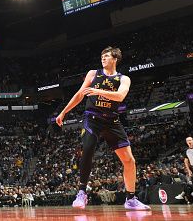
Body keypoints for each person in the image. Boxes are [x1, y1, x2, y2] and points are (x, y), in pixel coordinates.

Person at [56, 46, 150, 210]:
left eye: (106, 56)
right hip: (92, 118)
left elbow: (120, 96)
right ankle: (81, 193)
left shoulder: (123, 79)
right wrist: (63, 112)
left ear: (115, 59)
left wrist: (97, 90)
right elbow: (80, 94)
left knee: (129, 160)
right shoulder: (93, 74)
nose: (103, 58)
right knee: (88, 148)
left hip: (112, 121)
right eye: (102, 56)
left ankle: (130, 199)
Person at [183, 136, 193, 204]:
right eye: (187, 141)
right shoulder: (186, 151)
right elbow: (186, 161)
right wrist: (189, 170)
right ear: (186, 143)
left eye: (190, 140)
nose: (189, 141)